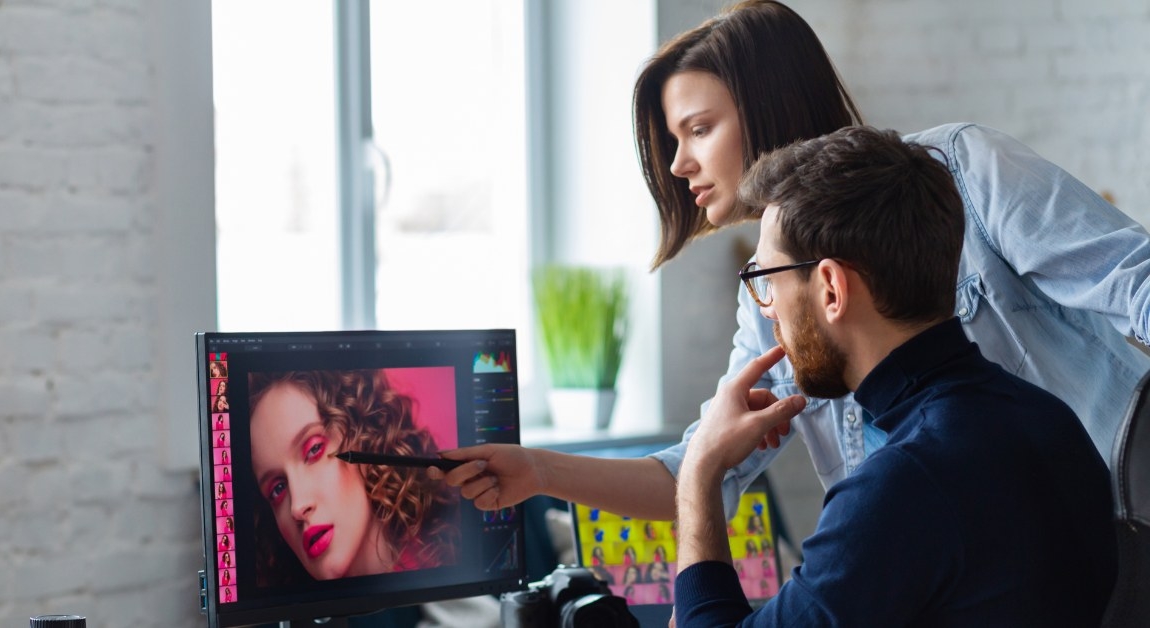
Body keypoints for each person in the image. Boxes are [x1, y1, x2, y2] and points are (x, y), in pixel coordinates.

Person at [433, 0, 1150, 524]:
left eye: (698, 129)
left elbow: (1137, 283)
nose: (679, 163)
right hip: (958, 582)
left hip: (1110, 531)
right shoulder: (770, 298)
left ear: (769, 108)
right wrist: (536, 470)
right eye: (673, 140)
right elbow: (700, 473)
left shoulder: (963, 171)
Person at [671, 125, 1115, 626]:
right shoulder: (1048, 418)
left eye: (768, 280)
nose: (768, 310)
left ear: (831, 288)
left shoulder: (904, 485)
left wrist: (701, 469)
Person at [247, 369, 459, 586]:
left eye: (314, 450)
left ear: (363, 433)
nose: (297, 507)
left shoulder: (454, 568)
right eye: (278, 488)